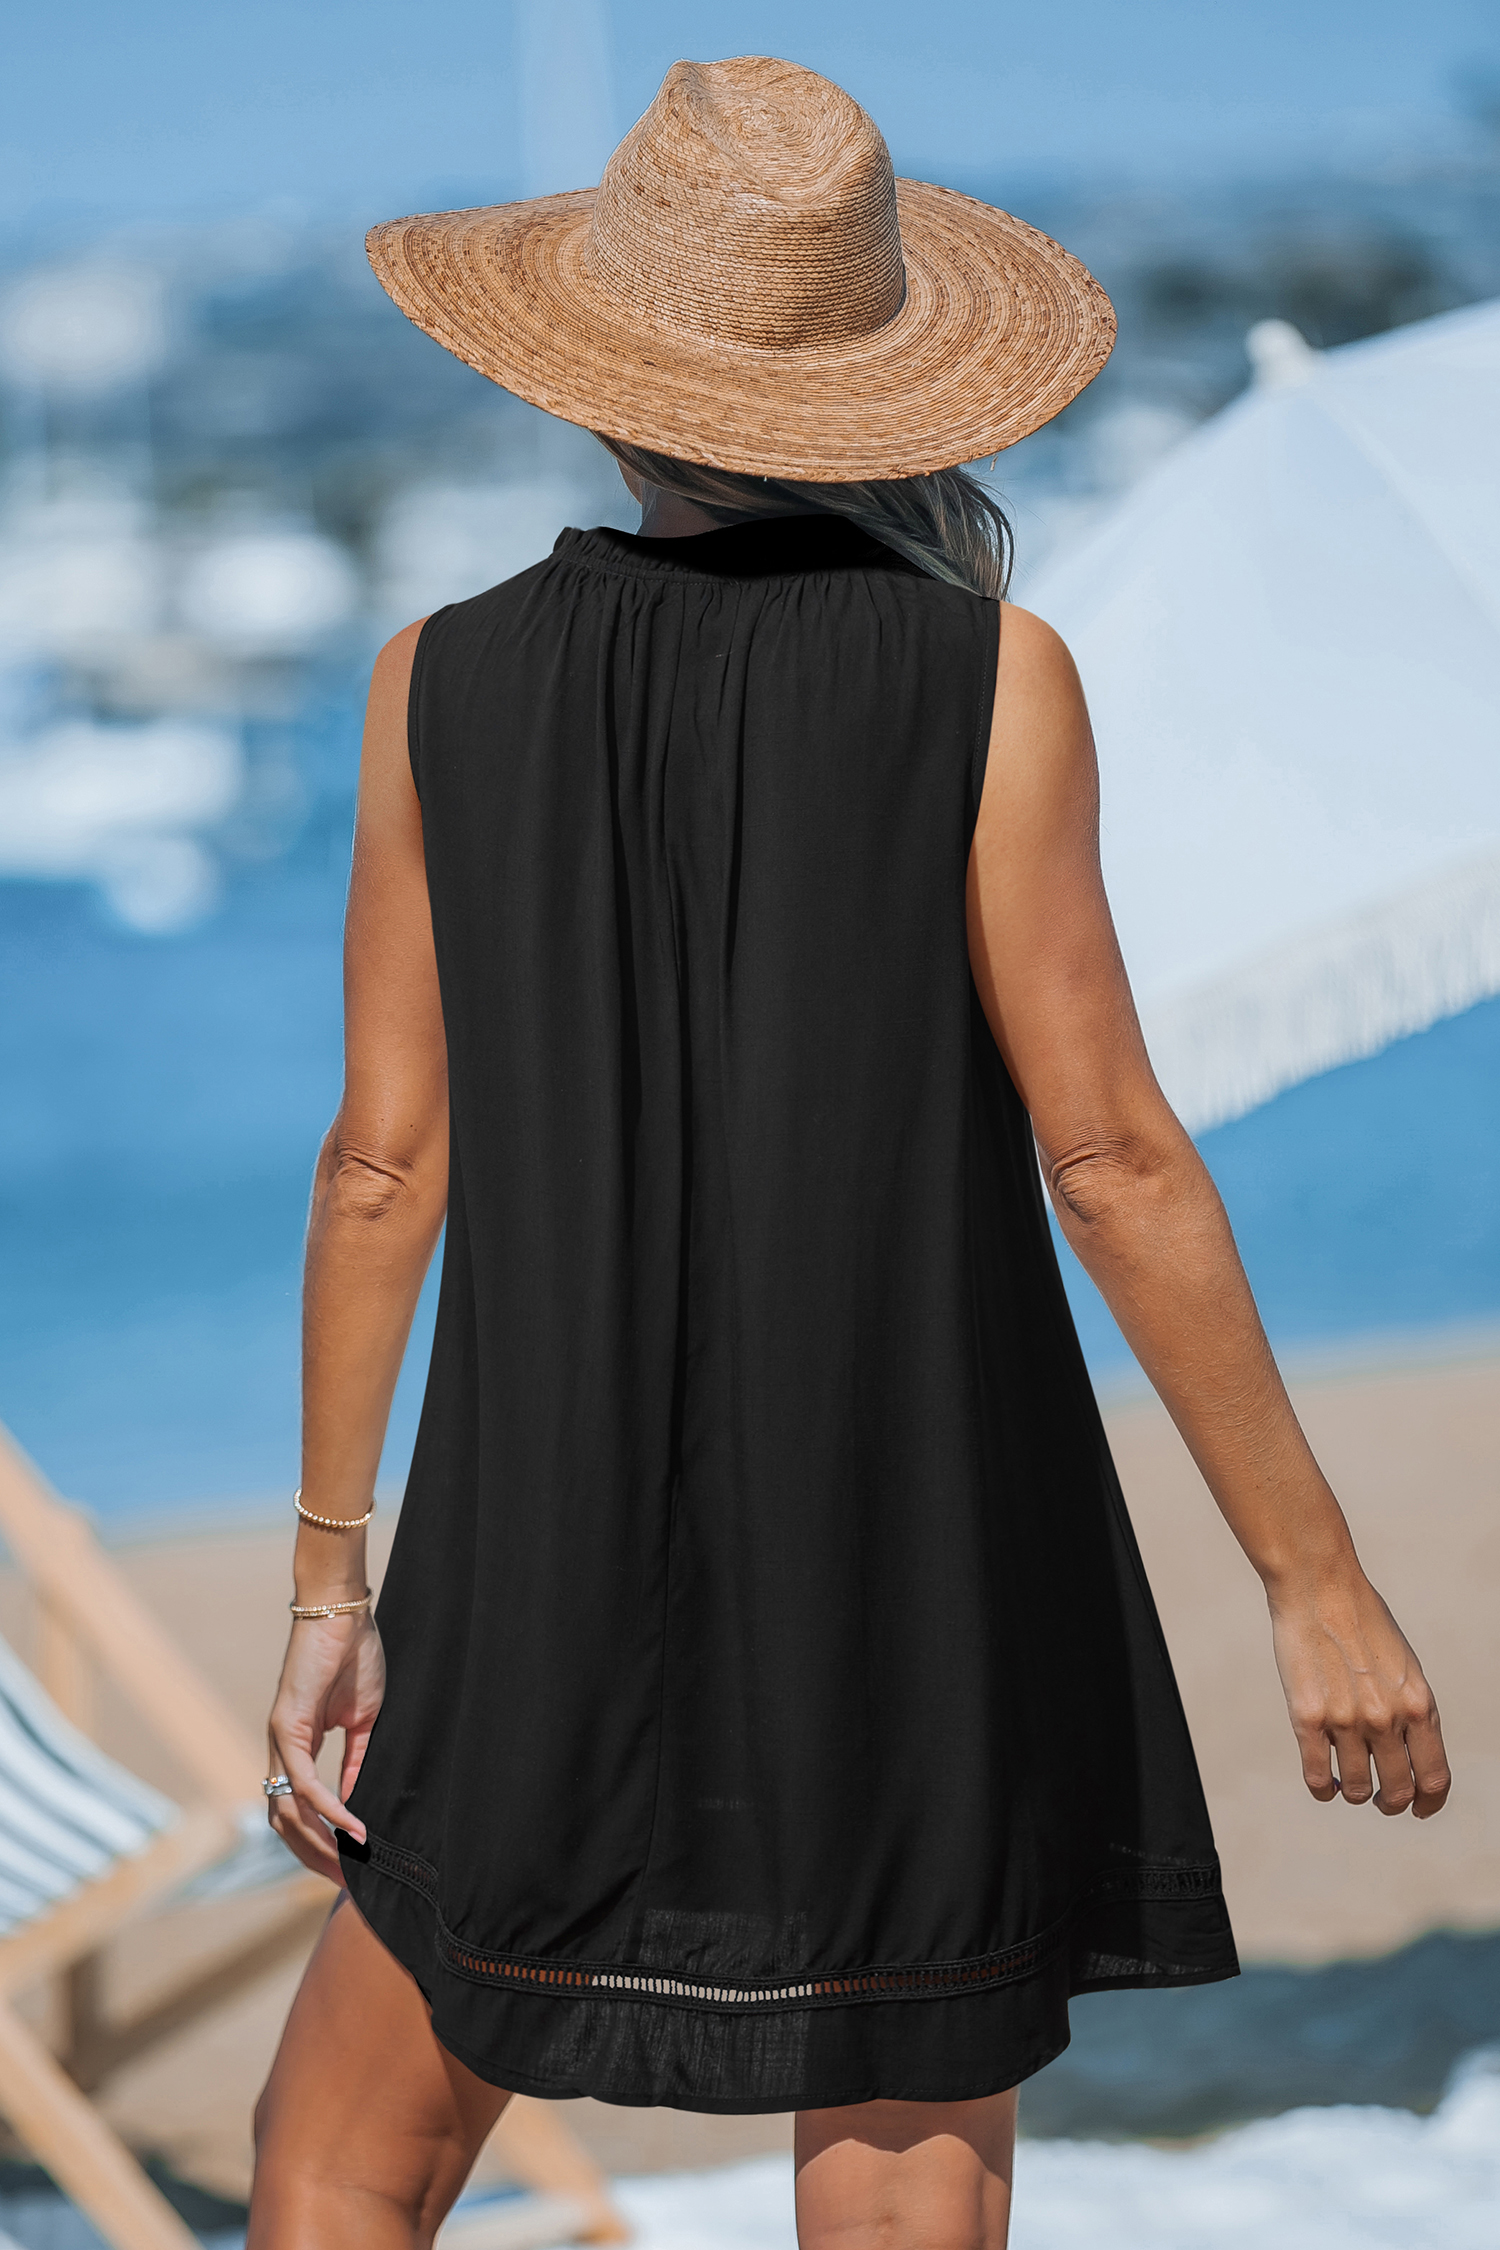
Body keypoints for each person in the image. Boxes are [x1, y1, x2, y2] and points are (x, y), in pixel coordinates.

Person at [248, 56, 1450, 2250]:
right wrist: (1310, 1574)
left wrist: (335, 1585)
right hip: (916, 1539)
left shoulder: (438, 682)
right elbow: (1111, 1159)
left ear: (596, 374)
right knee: (899, 2200)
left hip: (533, 1543)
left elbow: (378, 1172)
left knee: (342, 2165)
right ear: (880, 388)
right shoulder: (990, 678)